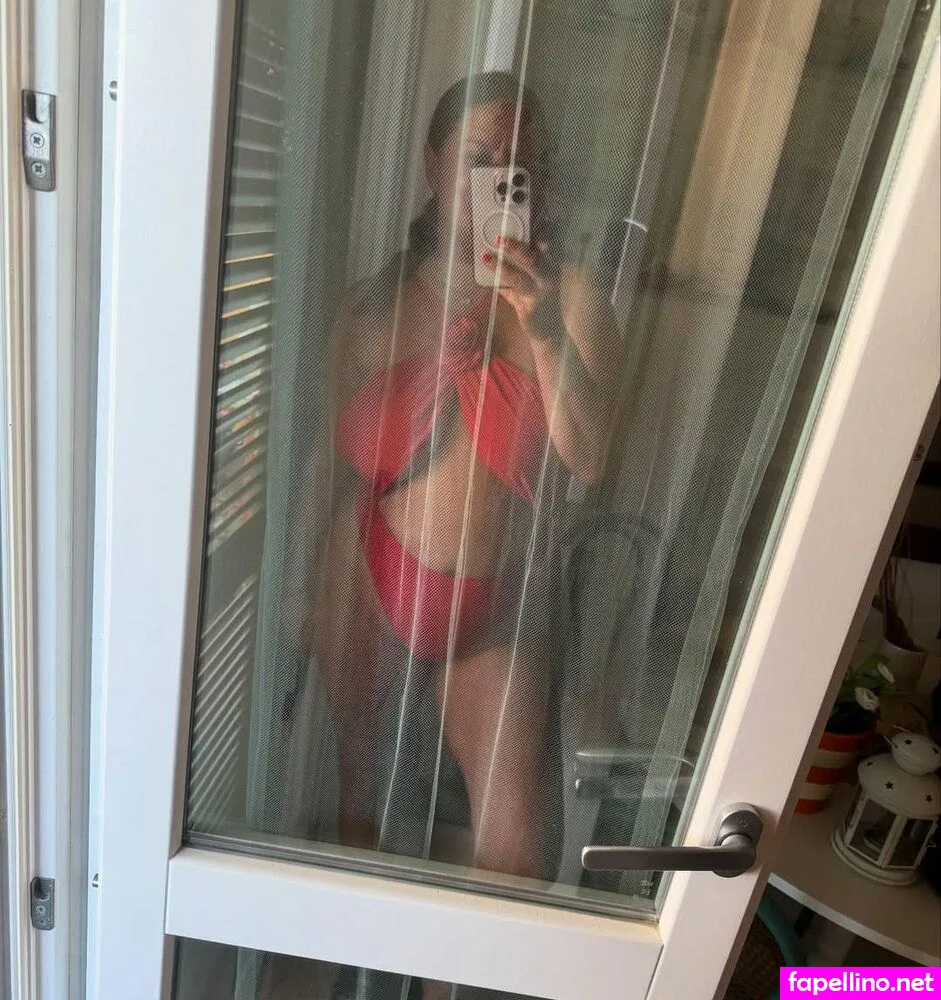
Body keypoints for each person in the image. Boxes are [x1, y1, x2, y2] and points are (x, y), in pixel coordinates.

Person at [309, 71, 622, 890]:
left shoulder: (576, 303)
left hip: (496, 601)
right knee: (357, 801)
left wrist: (540, 329)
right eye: (480, 158)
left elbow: (592, 460)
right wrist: (300, 601)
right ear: (433, 167)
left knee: (515, 859)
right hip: (369, 568)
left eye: (523, 163)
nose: (503, 178)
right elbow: (327, 465)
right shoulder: (372, 306)